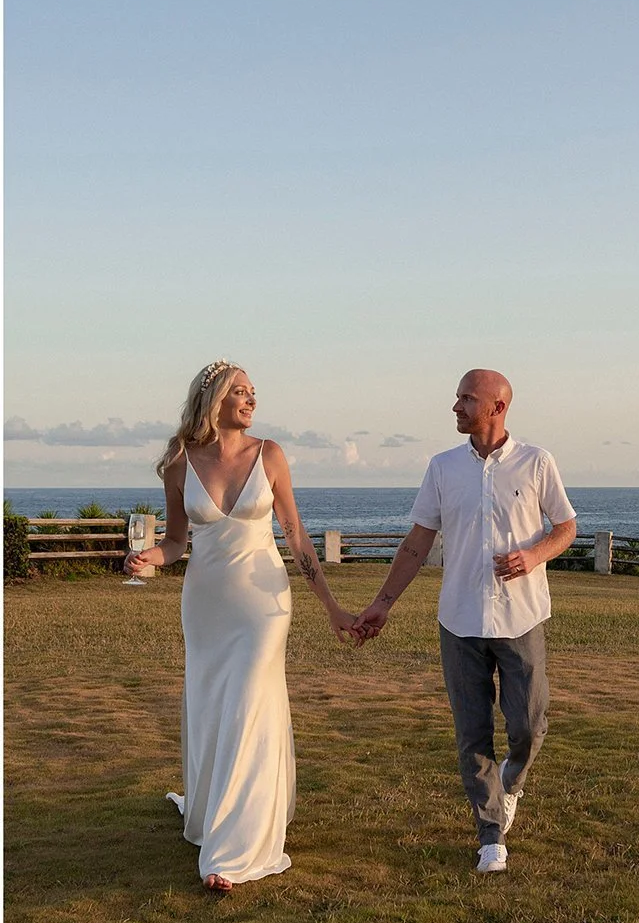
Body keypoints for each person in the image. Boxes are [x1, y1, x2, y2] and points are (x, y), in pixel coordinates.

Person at [127, 361, 359, 892]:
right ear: (212, 398)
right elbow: (176, 542)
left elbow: (298, 539)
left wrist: (332, 607)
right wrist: (149, 559)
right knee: (214, 706)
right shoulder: (179, 463)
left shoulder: (269, 454)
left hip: (263, 604)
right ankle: (213, 812)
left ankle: (232, 853)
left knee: (252, 702)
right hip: (206, 604)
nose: (251, 399)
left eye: (254, 392)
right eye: (239, 391)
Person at [353, 369, 576, 874]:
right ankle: (491, 835)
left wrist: (533, 555)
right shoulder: (442, 467)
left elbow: (566, 527)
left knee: (528, 726)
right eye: (457, 396)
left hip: (521, 620)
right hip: (459, 623)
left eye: (466, 398)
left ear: (497, 407)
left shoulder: (537, 462)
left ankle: (510, 784)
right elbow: (417, 543)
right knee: (471, 734)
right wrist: (383, 602)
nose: (455, 405)